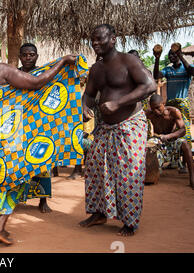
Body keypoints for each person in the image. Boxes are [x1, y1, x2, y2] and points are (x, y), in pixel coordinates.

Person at [0, 28, 80, 245]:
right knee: (17, 175)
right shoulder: (2, 70)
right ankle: (0, 226)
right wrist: (63, 62)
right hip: (5, 129)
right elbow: (36, 82)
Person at [80, 24, 157, 236]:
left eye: (99, 39)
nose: (95, 43)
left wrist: (118, 103)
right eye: (92, 40)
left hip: (130, 125)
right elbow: (89, 93)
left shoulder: (129, 61)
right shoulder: (96, 69)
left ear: (113, 39)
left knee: (128, 173)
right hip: (105, 127)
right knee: (95, 168)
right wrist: (85, 105)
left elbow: (150, 86)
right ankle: (98, 213)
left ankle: (129, 221)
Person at [18, 43, 52, 213]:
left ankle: (43, 201)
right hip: (18, 125)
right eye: (25, 55)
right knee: (17, 163)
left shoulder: (44, 74)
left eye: (31, 54)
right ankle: (17, 198)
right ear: (20, 57)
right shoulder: (13, 74)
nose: (28, 58)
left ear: (37, 56)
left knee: (42, 162)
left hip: (40, 124)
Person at [145, 94, 194, 189]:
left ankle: (192, 177)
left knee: (185, 144)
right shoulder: (150, 114)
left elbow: (183, 130)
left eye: (158, 107)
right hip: (158, 140)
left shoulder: (173, 112)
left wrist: (168, 136)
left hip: (172, 139)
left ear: (163, 103)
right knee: (148, 145)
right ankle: (149, 175)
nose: (155, 111)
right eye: (153, 109)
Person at [153, 44, 194, 146]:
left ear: (178, 55)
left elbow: (192, 72)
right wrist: (157, 59)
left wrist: (181, 56)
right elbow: (156, 75)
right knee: (171, 130)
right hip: (171, 104)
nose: (171, 57)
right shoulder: (168, 70)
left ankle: (186, 150)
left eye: (173, 55)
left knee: (184, 129)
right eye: (169, 55)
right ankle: (173, 155)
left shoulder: (187, 68)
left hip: (182, 104)